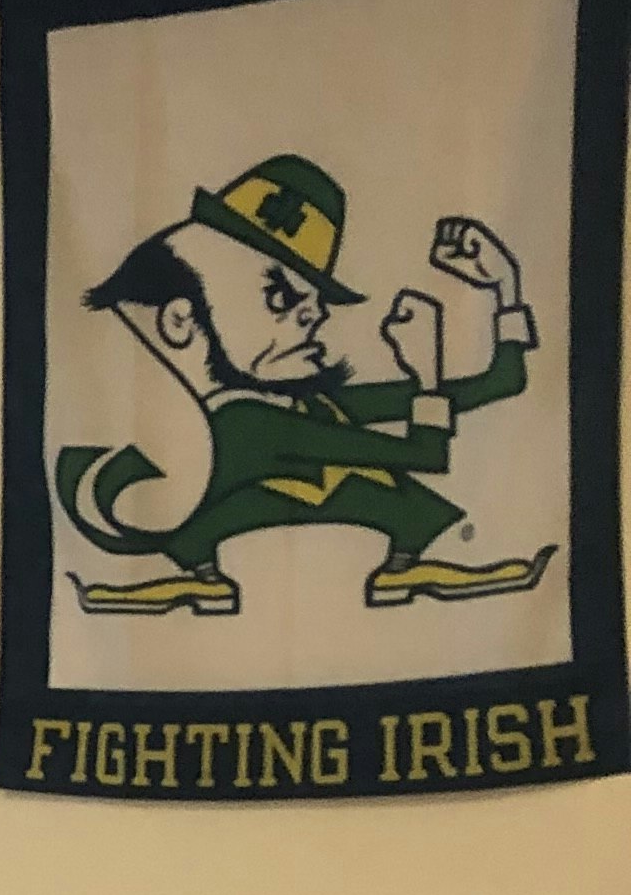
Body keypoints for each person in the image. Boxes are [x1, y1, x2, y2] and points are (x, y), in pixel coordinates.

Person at [56, 154, 551, 615]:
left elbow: (499, 384)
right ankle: (200, 573)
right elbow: (424, 455)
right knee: (372, 479)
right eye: (280, 297)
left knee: (360, 482)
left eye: (316, 301)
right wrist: (425, 375)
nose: (314, 315)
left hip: (237, 501)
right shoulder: (244, 421)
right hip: (194, 507)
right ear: (181, 321)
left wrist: (506, 287)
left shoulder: (308, 407)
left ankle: (398, 564)